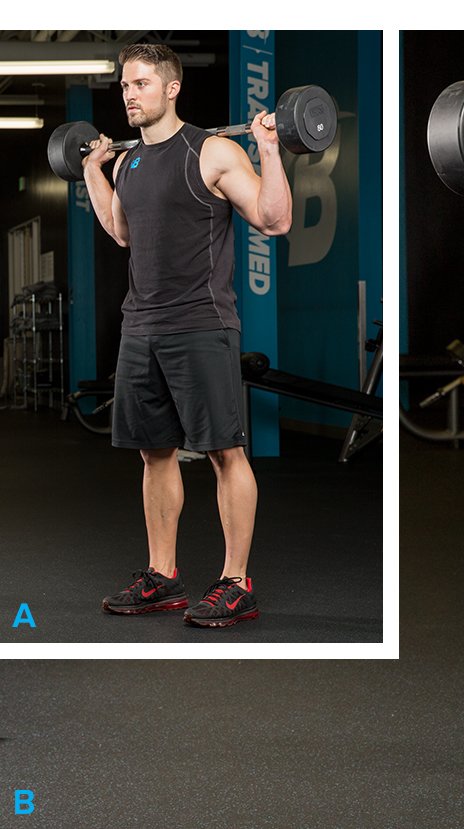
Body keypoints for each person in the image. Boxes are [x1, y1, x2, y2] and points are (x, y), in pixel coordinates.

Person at [80, 43, 293, 628]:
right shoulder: (127, 162)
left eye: (142, 84)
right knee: (154, 452)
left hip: (201, 324)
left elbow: (275, 220)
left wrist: (269, 150)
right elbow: (122, 231)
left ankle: (234, 580)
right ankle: (163, 574)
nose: (130, 93)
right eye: (125, 85)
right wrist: (93, 173)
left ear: (172, 88)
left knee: (225, 452)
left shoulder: (214, 152)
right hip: (140, 327)